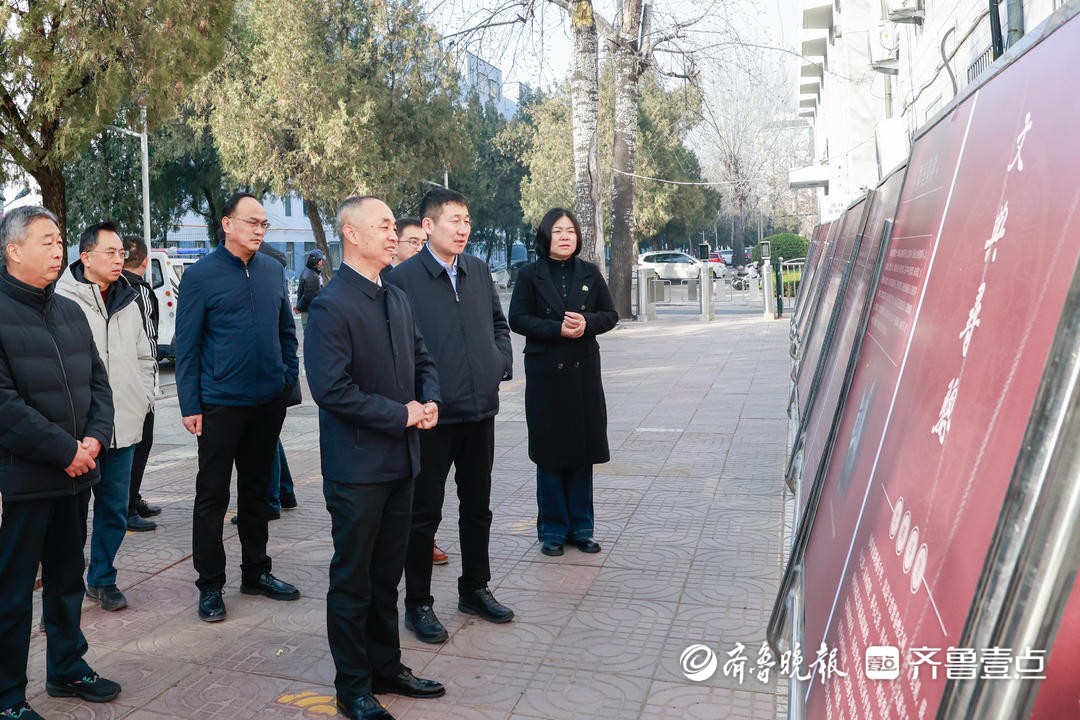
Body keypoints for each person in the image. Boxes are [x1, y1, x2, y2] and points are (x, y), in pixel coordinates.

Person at [306, 196, 444, 720]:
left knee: (388, 576)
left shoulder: (397, 296)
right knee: (353, 579)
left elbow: (424, 359)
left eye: (394, 226)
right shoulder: (331, 304)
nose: (394, 235)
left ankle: (388, 667)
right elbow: (332, 390)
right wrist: (402, 414)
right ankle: (353, 685)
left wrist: (429, 400)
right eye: (383, 226)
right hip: (358, 469)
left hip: (402, 463)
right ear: (351, 235)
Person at [0, 206, 122, 719]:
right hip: (25, 480)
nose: (58, 251)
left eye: (60, 241)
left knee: (68, 580)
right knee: (11, 596)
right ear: (13, 250)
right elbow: (4, 406)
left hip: (76, 477)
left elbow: (99, 384)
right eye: (47, 242)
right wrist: (64, 450)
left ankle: (68, 667)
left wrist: (93, 440)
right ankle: (7, 696)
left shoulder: (69, 309)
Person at [387, 188, 515, 644]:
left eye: (467, 220)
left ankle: (474, 588)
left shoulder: (478, 271)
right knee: (424, 514)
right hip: (434, 416)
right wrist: (421, 399)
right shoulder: (403, 279)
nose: (463, 229)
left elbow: (498, 325)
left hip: (480, 411)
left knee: (477, 507)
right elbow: (399, 350)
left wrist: (498, 361)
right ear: (428, 226)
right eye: (453, 220)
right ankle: (418, 603)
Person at [175, 192, 301, 623]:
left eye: (263, 224)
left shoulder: (271, 270)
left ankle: (256, 571)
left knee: (256, 493)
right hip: (219, 405)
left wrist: (287, 380)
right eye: (251, 222)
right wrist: (190, 403)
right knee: (212, 495)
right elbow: (187, 347)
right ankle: (210, 585)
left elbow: (287, 331)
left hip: (267, 402)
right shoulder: (201, 276)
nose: (258, 230)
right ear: (227, 224)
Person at [57, 222, 156, 611]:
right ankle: (62, 598)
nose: (120, 259)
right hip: (80, 433)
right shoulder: (61, 299)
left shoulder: (130, 298)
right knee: (71, 520)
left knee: (114, 510)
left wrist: (144, 398)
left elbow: (146, 354)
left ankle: (102, 578)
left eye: (121, 253)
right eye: (111, 253)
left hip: (125, 426)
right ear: (86, 257)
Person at [508, 208, 618, 556]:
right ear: (546, 236)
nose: (566, 236)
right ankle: (553, 530)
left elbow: (610, 315)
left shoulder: (590, 272)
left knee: (582, 451)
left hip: (583, 373)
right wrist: (556, 328)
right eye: (558, 231)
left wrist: (586, 323)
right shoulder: (529, 274)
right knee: (551, 453)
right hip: (546, 376)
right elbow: (518, 318)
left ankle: (582, 527)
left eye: (570, 230)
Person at [394, 216, 447, 567]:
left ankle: (423, 540)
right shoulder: (388, 284)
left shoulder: (428, 281)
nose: (417, 247)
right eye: (410, 241)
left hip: (427, 400)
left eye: (420, 241)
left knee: (425, 488)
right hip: (395, 405)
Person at [122, 235, 163, 532]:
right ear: (146, 262)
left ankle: (131, 499)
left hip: (120, 379)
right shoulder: (140, 290)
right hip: (138, 381)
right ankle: (127, 506)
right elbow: (149, 341)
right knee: (140, 443)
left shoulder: (112, 288)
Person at [294, 248, 324, 330]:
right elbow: (308, 296)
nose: (322, 262)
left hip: (310, 311)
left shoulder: (309, 272)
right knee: (310, 337)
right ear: (316, 261)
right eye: (321, 260)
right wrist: (299, 307)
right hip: (309, 312)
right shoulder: (312, 276)